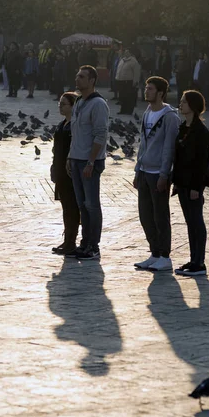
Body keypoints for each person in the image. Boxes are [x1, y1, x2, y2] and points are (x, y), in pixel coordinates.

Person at [133, 76, 180, 272]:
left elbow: (170, 147)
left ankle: (165, 256)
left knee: (160, 215)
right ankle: (154, 253)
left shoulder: (170, 117)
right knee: (145, 215)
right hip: (144, 171)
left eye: (150, 88)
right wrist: (137, 169)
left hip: (157, 173)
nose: (146, 91)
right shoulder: (147, 113)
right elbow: (142, 143)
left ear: (160, 93)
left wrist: (164, 174)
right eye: (146, 87)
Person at [66, 66, 109, 260]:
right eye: (76, 75)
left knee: (92, 205)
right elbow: (76, 134)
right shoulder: (78, 102)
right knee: (82, 205)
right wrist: (70, 156)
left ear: (92, 80)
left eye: (82, 76)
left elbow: (101, 135)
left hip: (89, 161)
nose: (77, 79)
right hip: (76, 159)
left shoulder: (98, 104)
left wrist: (91, 161)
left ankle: (94, 245)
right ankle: (84, 243)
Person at [173, 90, 209, 277]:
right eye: (180, 101)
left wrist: (197, 187)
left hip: (194, 184)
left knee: (197, 221)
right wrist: (176, 181)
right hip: (182, 182)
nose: (180, 105)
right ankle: (193, 258)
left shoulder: (201, 132)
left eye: (184, 102)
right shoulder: (183, 128)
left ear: (194, 106)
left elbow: (202, 162)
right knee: (189, 222)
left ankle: (200, 262)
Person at [51, 92, 80, 256]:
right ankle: (67, 239)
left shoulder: (75, 125)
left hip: (70, 171)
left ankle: (71, 241)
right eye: (59, 104)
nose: (60, 107)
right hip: (60, 170)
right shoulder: (63, 124)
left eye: (64, 104)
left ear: (73, 106)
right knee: (65, 206)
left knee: (72, 206)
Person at [115, 48, 141, 114]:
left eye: (127, 52)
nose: (126, 53)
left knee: (129, 97)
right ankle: (123, 110)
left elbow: (136, 72)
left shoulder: (133, 61)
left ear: (130, 53)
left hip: (129, 81)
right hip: (121, 81)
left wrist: (135, 81)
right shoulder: (122, 60)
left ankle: (129, 110)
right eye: (125, 52)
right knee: (122, 97)